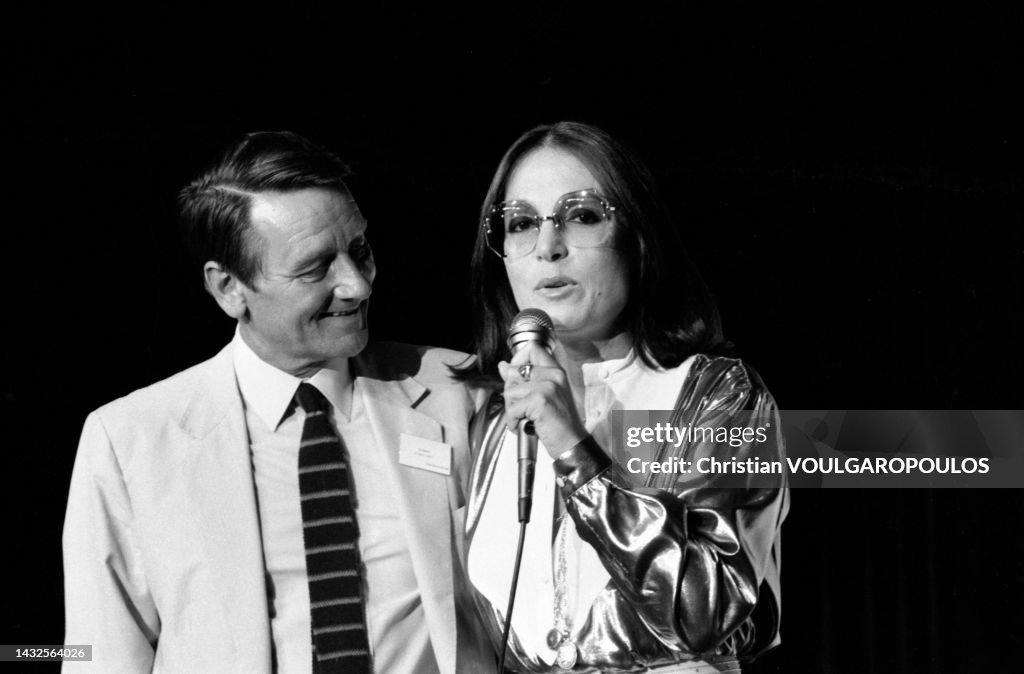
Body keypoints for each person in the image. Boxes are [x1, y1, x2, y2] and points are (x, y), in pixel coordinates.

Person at [62, 131, 493, 673]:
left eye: (359, 251)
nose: (356, 285)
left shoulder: (460, 393)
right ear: (228, 289)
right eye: (316, 269)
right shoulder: (128, 440)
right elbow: (99, 655)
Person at [456, 121, 788, 673]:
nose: (547, 247)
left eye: (582, 215)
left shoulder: (716, 393)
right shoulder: (491, 421)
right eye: (519, 224)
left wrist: (572, 447)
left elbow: (705, 611)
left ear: (637, 236)